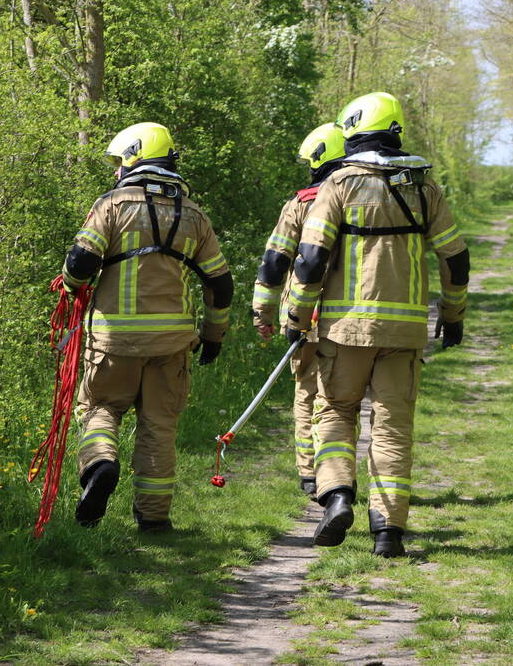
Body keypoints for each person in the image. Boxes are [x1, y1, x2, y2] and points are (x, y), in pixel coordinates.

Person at [285, 93, 470, 557]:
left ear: (352, 133)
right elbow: (456, 257)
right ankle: (388, 532)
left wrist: (296, 317)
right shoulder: (424, 189)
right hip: (404, 334)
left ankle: (339, 496)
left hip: (344, 331)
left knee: (334, 414)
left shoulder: (340, 185)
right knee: (392, 429)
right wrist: (453, 315)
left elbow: (309, 260)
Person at [60, 122, 233, 531]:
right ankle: (154, 520)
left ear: (134, 158)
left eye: (120, 161)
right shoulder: (193, 215)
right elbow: (220, 283)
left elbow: (80, 264)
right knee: (159, 426)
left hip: (113, 342)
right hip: (172, 344)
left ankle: (100, 465)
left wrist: (71, 288)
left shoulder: (112, 205)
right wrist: (214, 335)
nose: (117, 170)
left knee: (99, 409)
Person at [252, 123, 346, 500]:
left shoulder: (301, 203)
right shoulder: (360, 198)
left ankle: (311, 474)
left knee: (308, 394)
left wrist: (264, 312)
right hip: (349, 317)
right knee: (344, 401)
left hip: (304, 318)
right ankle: (338, 476)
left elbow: (275, 262)